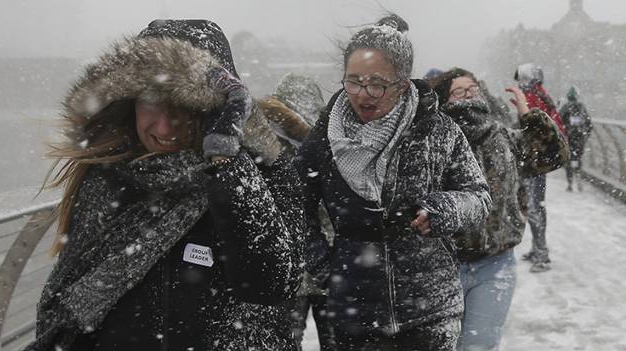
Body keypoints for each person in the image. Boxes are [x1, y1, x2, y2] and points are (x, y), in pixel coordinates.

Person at [25, 19, 305, 351]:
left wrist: (225, 158)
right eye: (152, 102)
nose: (165, 126)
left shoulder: (267, 172)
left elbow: (270, 282)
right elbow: (72, 306)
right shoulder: (107, 177)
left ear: (217, 108)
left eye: (186, 107)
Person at [295, 14, 491, 350]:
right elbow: (294, 203)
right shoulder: (325, 137)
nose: (363, 94)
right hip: (353, 311)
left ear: (402, 84)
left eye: (378, 84)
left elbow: (479, 197)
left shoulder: (437, 129)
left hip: (431, 308)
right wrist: (324, 267)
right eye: (353, 81)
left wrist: (444, 208)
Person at [431, 68, 568, 351]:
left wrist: (527, 113)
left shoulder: (503, 138)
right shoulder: (435, 143)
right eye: (459, 91)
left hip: (495, 264)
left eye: (473, 89)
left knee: (479, 345)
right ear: (445, 100)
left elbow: (554, 154)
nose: (468, 94)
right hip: (444, 265)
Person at [259, 73, 336, 350]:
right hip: (313, 261)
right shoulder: (326, 143)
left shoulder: (263, 144)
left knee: (284, 340)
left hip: (301, 263)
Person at [514, 63, 567, 273]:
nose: (519, 82)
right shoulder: (540, 95)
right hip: (537, 160)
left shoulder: (535, 97)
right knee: (536, 205)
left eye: (521, 78)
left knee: (534, 207)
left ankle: (542, 255)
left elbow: (535, 127)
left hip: (534, 161)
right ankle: (538, 249)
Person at [559, 86, 593, 192]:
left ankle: (570, 184)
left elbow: (558, 121)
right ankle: (578, 178)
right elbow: (589, 124)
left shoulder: (565, 107)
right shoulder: (581, 107)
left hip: (568, 138)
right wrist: (585, 135)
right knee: (578, 159)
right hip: (580, 138)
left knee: (568, 160)